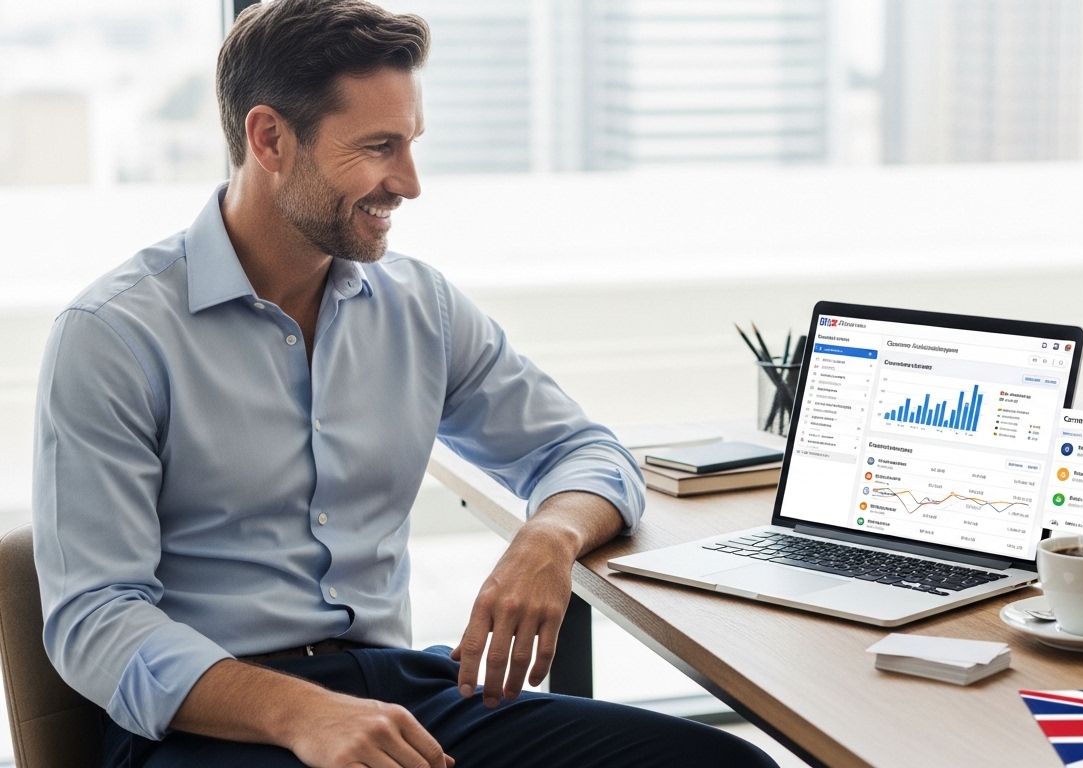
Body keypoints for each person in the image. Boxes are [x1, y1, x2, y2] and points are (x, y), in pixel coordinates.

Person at [31, 1, 779, 766]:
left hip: (398, 693)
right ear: (270, 139)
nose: (410, 183)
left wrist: (549, 537)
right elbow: (95, 620)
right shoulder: (114, 335)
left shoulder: (420, 308)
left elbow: (586, 452)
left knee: (725, 763)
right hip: (214, 722)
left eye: (411, 143)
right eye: (379, 147)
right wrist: (299, 714)